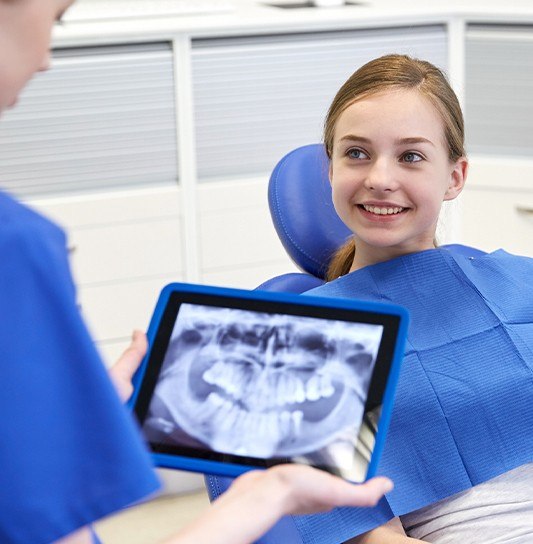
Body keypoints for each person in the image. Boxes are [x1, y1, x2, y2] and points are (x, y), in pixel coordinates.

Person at [0, 1, 393, 543]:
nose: (46, 57)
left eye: (412, 156)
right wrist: (265, 495)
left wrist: (75, 407)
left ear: (457, 174)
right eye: (58, 17)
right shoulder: (16, 248)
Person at [286, 54, 532, 543]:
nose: (380, 177)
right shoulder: (304, 343)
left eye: (411, 156)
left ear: (455, 176)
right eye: (356, 153)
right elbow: (368, 536)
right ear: (329, 170)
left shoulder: (519, 285)